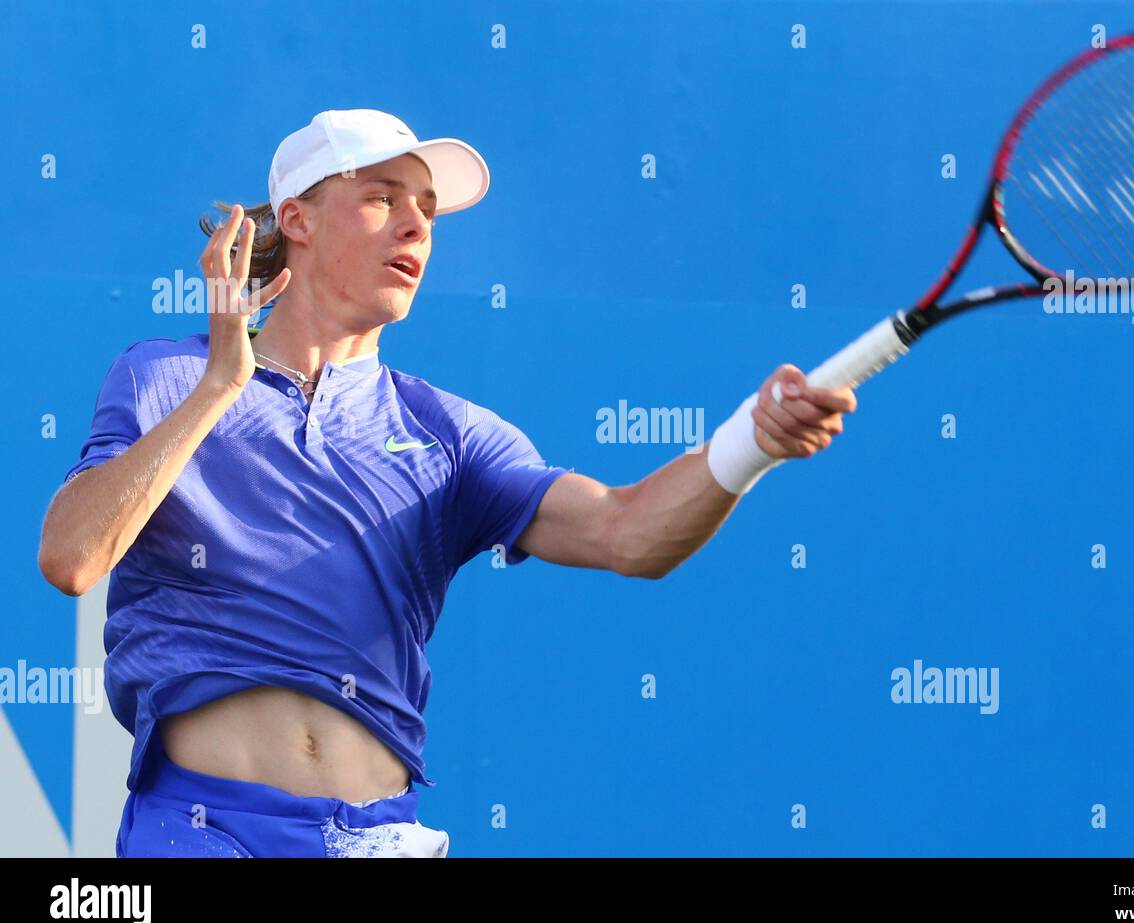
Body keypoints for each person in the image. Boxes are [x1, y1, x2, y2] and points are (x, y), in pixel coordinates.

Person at [36, 109, 857, 857]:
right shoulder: (166, 375)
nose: (415, 225)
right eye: (383, 197)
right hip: (202, 830)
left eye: (427, 210)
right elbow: (73, 557)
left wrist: (752, 442)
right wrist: (221, 386)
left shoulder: (449, 434)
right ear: (298, 220)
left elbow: (627, 532)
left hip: (377, 837)